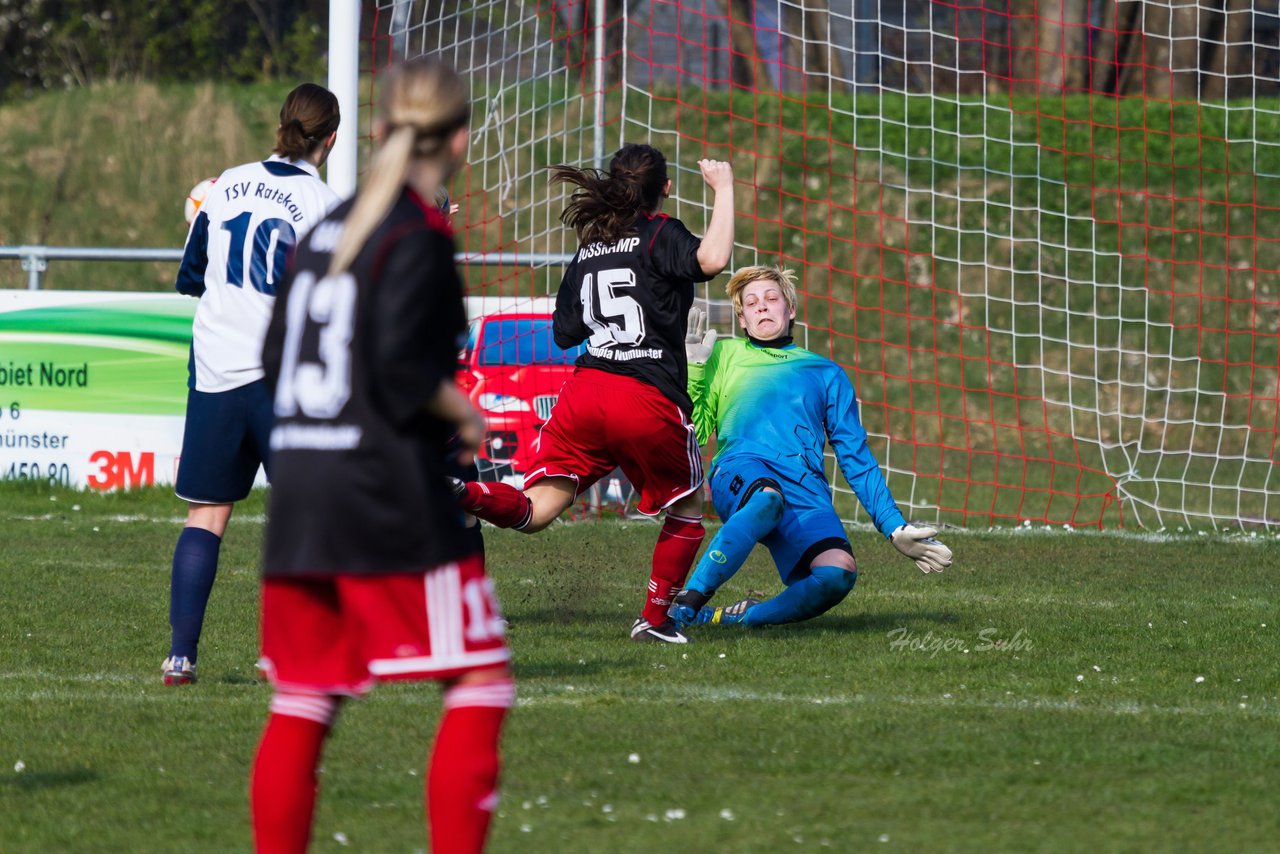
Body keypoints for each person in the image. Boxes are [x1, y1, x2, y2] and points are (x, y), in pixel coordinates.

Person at [253, 56, 513, 854]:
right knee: (480, 680)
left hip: (298, 488)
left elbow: (272, 358)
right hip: (380, 492)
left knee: (304, 699)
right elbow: (403, 368)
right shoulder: (417, 232)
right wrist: (462, 411)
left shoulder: (327, 228)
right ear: (461, 137)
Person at [454, 143, 735, 644]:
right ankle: (655, 620)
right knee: (687, 508)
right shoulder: (659, 232)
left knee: (536, 510)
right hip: (643, 394)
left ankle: (459, 494)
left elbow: (564, 333)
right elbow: (712, 259)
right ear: (664, 189)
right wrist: (726, 189)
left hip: (584, 393)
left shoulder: (590, 246)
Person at [163, 83, 342, 686]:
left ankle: (181, 657)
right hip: (281, 379)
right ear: (332, 138)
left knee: (206, 516)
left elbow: (190, 278)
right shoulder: (322, 204)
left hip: (215, 370)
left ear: (281, 125)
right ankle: (279, 654)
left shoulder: (225, 184)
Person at [668, 265, 953, 630]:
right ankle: (684, 606)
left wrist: (894, 527)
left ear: (791, 309)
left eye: (772, 299)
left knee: (838, 573)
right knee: (766, 499)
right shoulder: (724, 355)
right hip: (741, 468)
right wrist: (692, 370)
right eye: (751, 303)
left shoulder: (825, 372)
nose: (762, 308)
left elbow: (855, 456)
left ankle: (730, 620)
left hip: (804, 486)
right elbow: (697, 428)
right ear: (741, 318)